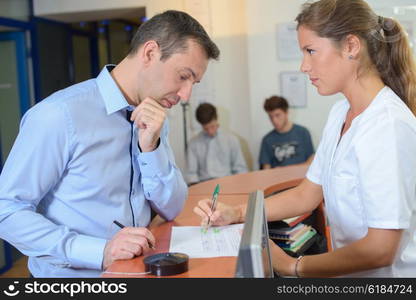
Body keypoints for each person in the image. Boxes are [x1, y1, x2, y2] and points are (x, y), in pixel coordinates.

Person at [194, 0, 416, 277]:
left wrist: (293, 266)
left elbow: (382, 248)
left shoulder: (388, 126)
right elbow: (305, 195)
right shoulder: (340, 114)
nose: (303, 66)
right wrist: (237, 213)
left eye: (311, 51)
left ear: (351, 46)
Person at [0, 10, 219, 277]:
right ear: (150, 53)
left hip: (138, 270)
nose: (186, 96)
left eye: (193, 83)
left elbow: (172, 207)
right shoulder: (59, 115)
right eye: (183, 76)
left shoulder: (157, 115)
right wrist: (100, 251)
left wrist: (151, 148)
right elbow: (7, 210)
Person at [186, 102, 247, 185]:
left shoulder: (231, 140)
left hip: (228, 184)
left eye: (212, 126)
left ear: (216, 119)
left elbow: (240, 170)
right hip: (203, 186)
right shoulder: (193, 143)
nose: (210, 132)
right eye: (206, 128)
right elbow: (192, 175)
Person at [259, 95, 314, 169]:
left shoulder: (303, 133)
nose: (274, 120)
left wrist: (286, 170)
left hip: (302, 178)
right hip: (278, 179)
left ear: (286, 112)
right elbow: (266, 170)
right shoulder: (267, 140)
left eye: (277, 115)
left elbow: (311, 162)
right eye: (270, 116)